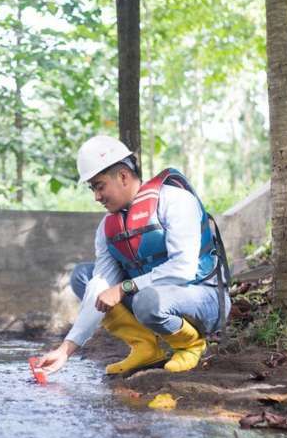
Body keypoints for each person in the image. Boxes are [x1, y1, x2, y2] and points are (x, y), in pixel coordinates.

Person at [37, 135, 230, 377]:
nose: (96, 196)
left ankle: (190, 344)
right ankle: (145, 348)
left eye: (99, 186)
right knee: (83, 277)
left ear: (123, 176)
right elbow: (100, 287)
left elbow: (184, 269)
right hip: (153, 298)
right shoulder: (107, 227)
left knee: (145, 300)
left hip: (203, 298)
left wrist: (124, 287)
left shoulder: (176, 201)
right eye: (93, 189)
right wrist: (65, 350)